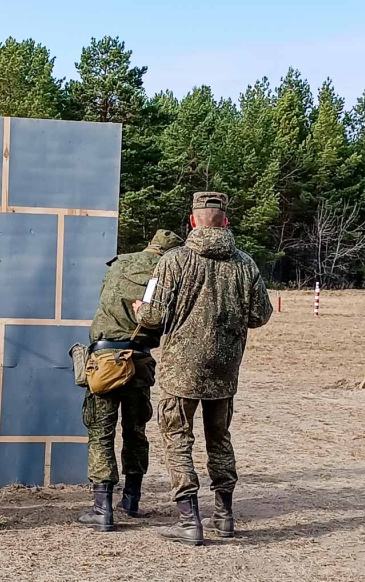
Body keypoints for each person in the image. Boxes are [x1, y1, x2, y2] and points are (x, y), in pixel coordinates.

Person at [134, 191, 272, 545]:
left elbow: (152, 315)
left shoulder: (173, 261)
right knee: (220, 439)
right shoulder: (246, 264)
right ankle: (224, 515)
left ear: (192, 221)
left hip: (181, 370)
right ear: (225, 221)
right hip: (225, 372)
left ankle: (188, 520)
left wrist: (139, 311)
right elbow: (260, 315)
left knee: (178, 440)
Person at [78, 230, 183, 532]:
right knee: (135, 431)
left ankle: (102, 509)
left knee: (101, 432)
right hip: (139, 361)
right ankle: (131, 499)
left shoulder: (119, 264)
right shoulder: (167, 274)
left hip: (104, 361)